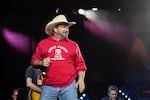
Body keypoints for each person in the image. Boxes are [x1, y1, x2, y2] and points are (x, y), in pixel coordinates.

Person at [30, 14, 87, 100]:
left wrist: (81, 80)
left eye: (67, 27)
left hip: (69, 86)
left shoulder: (73, 45)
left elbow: (80, 64)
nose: (67, 29)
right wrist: (41, 62)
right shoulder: (43, 43)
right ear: (55, 29)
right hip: (48, 86)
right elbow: (33, 61)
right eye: (63, 27)